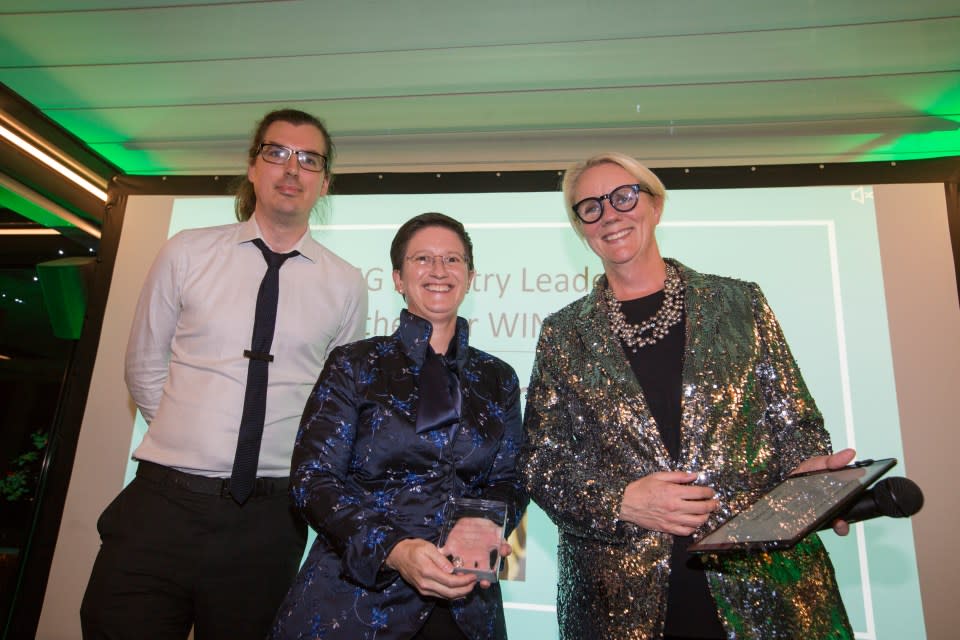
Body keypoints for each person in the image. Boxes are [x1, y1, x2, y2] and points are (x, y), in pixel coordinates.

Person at [520, 152, 857, 640]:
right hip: (619, 597)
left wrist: (809, 473)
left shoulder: (741, 303)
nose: (609, 213)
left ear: (655, 205)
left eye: (623, 196)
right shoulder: (562, 333)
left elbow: (795, 425)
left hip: (759, 580)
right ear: (580, 228)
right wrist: (619, 500)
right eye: (589, 206)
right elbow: (540, 461)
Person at [80, 109, 368, 640]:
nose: (291, 169)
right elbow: (144, 366)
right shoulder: (187, 251)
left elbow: (335, 407)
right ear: (253, 167)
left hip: (268, 523)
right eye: (276, 153)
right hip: (161, 509)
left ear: (324, 182)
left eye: (309, 159)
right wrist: (192, 442)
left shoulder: (346, 284)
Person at [269, 212, 527, 640]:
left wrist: (483, 524)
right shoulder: (355, 364)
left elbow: (510, 479)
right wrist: (393, 550)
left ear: (470, 275)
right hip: (355, 601)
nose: (439, 271)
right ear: (397, 278)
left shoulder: (499, 377)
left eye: (453, 260)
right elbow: (312, 480)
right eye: (422, 259)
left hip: (466, 605)